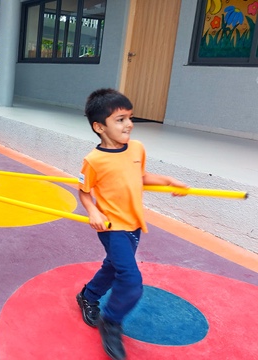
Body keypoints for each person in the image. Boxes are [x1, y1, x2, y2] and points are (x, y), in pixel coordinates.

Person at [75, 88, 187, 360]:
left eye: (129, 117)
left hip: (134, 224)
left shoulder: (137, 148)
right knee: (131, 280)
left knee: (114, 267)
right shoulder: (94, 160)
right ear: (99, 127)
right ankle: (111, 320)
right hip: (112, 228)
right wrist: (93, 212)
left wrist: (168, 180)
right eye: (120, 119)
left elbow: (140, 177)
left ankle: (88, 295)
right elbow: (84, 191)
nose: (129, 124)